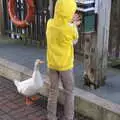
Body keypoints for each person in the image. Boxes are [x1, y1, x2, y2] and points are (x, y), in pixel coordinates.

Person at [46, 0, 81, 120]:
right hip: (65, 66)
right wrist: (74, 24)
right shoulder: (70, 28)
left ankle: (51, 116)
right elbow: (75, 40)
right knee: (69, 92)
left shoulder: (50, 23)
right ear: (68, 13)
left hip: (52, 64)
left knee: (53, 90)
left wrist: (69, 22)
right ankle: (68, 117)